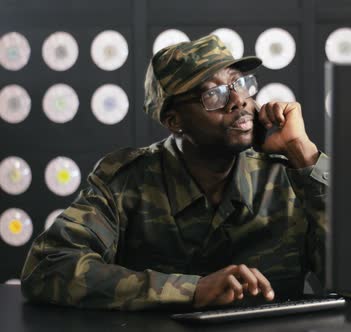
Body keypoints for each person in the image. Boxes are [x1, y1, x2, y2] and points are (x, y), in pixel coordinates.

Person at [20, 35, 329, 311]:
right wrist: (192, 291)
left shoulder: (290, 173)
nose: (239, 101)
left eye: (240, 84)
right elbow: (48, 267)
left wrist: (302, 151)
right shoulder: (127, 181)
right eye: (214, 95)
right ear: (174, 120)